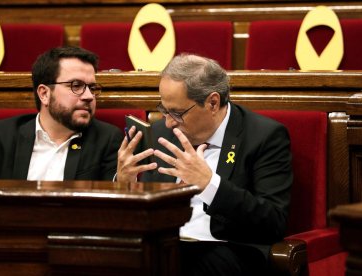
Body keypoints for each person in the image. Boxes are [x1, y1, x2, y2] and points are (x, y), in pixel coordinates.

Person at [117, 53, 293, 275]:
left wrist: (210, 185)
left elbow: (273, 222)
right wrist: (126, 185)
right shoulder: (163, 133)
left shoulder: (264, 136)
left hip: (228, 248)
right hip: (165, 244)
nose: (168, 122)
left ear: (212, 103)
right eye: (164, 110)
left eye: (177, 113)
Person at [0, 46, 123, 180]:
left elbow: (110, 208)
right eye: (76, 85)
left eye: (92, 88)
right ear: (44, 94)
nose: (89, 96)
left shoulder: (107, 140)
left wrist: (123, 183)